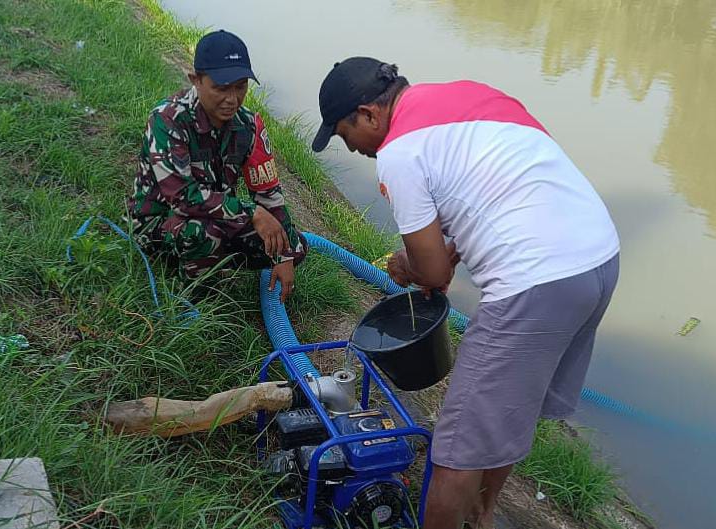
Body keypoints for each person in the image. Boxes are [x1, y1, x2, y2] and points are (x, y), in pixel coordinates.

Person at [311, 57, 620, 529]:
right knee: (510, 412)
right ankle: (482, 514)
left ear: (369, 114)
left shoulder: (400, 151)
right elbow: (506, 186)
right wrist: (447, 249)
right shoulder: (467, 94)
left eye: (343, 133)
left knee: (456, 448)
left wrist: (406, 265)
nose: (351, 149)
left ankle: (463, 513)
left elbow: (433, 275)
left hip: (536, 280)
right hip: (599, 260)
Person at [126, 30, 306, 301]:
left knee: (296, 245)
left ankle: (212, 259)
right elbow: (183, 198)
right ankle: (195, 296)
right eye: (221, 88)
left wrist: (283, 252)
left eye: (240, 86)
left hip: (218, 216)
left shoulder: (247, 125)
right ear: (196, 81)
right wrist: (253, 214)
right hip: (162, 222)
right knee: (203, 234)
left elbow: (269, 192)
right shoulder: (168, 120)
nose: (232, 98)